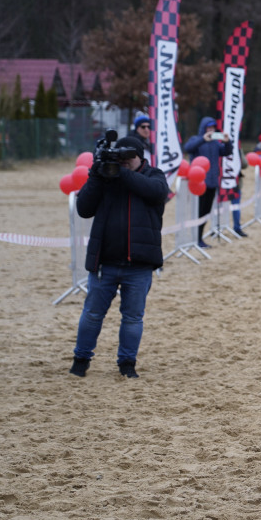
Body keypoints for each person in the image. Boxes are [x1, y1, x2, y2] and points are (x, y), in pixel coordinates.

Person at [68, 136, 169, 379]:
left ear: (140, 157)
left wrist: (121, 174)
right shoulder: (104, 178)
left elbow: (156, 193)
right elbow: (84, 209)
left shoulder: (155, 175)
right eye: (120, 159)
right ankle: (81, 359)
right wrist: (96, 174)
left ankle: (127, 364)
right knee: (92, 314)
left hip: (140, 263)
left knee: (133, 317)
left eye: (129, 158)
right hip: (105, 262)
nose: (123, 163)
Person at [184, 117, 233, 248]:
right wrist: (202, 139)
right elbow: (188, 148)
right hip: (198, 183)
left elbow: (227, 151)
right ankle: (194, 238)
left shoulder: (216, 143)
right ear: (203, 128)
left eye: (213, 128)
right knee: (197, 211)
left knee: (205, 213)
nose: (211, 130)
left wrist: (228, 142)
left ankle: (199, 238)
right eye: (209, 127)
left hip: (212, 183)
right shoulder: (196, 139)